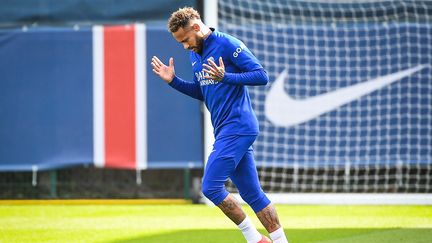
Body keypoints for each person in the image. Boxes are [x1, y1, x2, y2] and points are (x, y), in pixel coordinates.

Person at [151, 7, 289, 243]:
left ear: (196, 27)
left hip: (238, 126)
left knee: (211, 187)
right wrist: (173, 81)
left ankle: (255, 239)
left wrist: (227, 77)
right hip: (226, 129)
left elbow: (261, 75)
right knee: (252, 194)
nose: (185, 46)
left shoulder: (227, 44)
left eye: (185, 40)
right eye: (180, 43)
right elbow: (204, 91)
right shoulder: (195, 53)